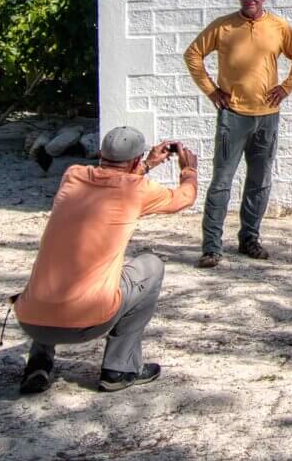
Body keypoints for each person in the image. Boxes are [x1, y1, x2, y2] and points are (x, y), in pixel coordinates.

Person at [13, 125, 198, 395]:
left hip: (31, 320)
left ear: (100, 153)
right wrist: (188, 170)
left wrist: (146, 165)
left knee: (60, 265)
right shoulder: (137, 189)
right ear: (134, 160)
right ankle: (119, 368)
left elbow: (112, 180)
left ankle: (38, 363)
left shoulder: (72, 176)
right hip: (89, 322)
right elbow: (184, 198)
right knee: (151, 265)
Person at [182, 0, 292, 265]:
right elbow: (193, 54)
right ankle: (212, 247)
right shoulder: (224, 26)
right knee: (221, 181)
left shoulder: (278, 27)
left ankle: (249, 238)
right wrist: (212, 91)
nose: (249, 0)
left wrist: (286, 87)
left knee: (259, 180)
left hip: (267, 117)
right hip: (233, 116)